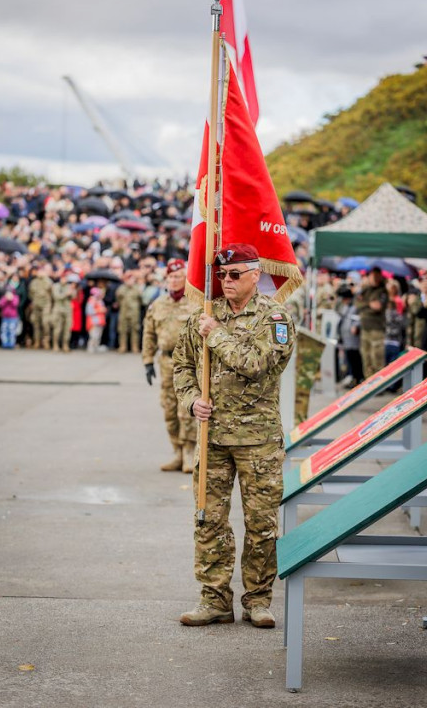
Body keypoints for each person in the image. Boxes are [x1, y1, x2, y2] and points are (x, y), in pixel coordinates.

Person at [173, 243, 295, 628]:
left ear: (255, 275)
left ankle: (257, 601)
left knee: (260, 524)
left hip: (257, 439)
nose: (226, 281)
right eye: (221, 275)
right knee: (208, 520)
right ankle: (214, 599)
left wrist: (216, 337)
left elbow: (257, 365)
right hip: (213, 438)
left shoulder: (274, 318)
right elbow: (182, 365)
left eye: (235, 275)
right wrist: (193, 401)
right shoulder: (204, 316)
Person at [142, 259, 197, 473]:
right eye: (171, 277)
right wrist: (147, 361)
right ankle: (176, 451)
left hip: (189, 364)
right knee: (169, 409)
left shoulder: (195, 303)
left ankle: (189, 453)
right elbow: (148, 334)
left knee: (187, 409)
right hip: (166, 362)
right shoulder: (158, 304)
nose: (174, 280)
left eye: (178, 276)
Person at [355, 267, 388, 377]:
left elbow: (378, 306)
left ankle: (378, 384)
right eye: (372, 275)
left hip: (376, 329)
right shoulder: (366, 290)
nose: (373, 278)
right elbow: (357, 304)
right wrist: (369, 304)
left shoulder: (382, 291)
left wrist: (365, 303)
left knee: (377, 357)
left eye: (376, 275)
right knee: (366, 356)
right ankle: (368, 383)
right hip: (365, 328)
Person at [116, 271, 142, 354]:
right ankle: (123, 346)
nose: (130, 281)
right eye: (128, 279)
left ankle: (135, 347)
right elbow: (118, 299)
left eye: (132, 279)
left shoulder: (137, 288)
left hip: (134, 312)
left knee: (135, 330)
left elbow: (140, 300)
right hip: (124, 311)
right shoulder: (121, 288)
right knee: (122, 330)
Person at [28, 266, 53, 349]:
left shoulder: (48, 281)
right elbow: (31, 294)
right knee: (36, 323)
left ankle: (46, 341)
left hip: (46, 304)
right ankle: (37, 341)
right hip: (36, 304)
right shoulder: (33, 282)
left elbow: (51, 293)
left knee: (45, 322)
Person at [51, 273, 77, 352]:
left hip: (67, 310)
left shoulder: (69, 286)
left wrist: (72, 291)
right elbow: (56, 296)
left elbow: (74, 297)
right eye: (63, 278)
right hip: (58, 309)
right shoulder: (56, 286)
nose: (64, 280)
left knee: (67, 328)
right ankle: (55, 344)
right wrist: (66, 294)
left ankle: (65, 345)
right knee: (57, 328)